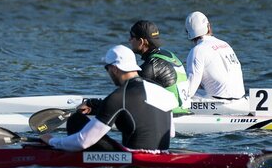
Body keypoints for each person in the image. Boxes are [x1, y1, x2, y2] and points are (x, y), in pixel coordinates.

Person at [40, 45, 175, 152]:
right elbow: (171, 133)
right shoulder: (161, 91)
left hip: (131, 165)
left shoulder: (118, 97)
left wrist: (52, 141)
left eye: (107, 69)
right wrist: (96, 107)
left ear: (114, 68)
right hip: (163, 158)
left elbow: (83, 141)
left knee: (76, 121)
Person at [128, 20, 190, 114]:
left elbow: (127, 95)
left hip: (172, 116)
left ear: (141, 41)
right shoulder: (169, 54)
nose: (129, 40)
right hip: (184, 111)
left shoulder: (152, 65)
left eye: (132, 37)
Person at [184, 11, 245, 100]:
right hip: (241, 99)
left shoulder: (197, 51)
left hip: (221, 102)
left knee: (183, 93)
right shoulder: (225, 44)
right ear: (209, 27)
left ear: (188, 34)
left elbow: (189, 91)